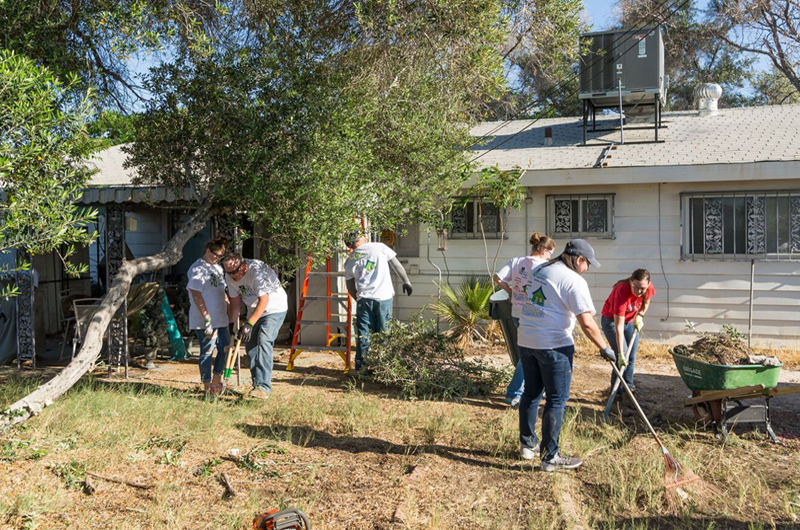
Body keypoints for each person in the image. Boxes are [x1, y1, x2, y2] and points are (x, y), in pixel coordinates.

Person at [517, 239, 616, 471]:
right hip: (554, 345)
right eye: (588, 263)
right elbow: (587, 323)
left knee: (531, 393)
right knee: (556, 400)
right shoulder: (573, 280)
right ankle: (550, 457)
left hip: (527, 339)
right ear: (579, 259)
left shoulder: (541, 269)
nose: (588, 269)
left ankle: (527, 445)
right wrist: (605, 348)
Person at [492, 232, 556, 407]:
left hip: (517, 312)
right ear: (543, 249)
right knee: (530, 355)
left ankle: (527, 391)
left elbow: (497, 277)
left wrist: (511, 291)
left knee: (527, 354)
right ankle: (515, 393)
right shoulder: (545, 266)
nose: (551, 256)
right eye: (550, 252)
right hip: (536, 315)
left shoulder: (516, 261)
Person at [344, 232, 412, 372]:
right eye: (363, 235)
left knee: (364, 335)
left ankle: (362, 369)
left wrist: (359, 299)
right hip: (383, 298)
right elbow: (396, 265)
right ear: (359, 239)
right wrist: (406, 281)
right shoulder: (379, 247)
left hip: (364, 299)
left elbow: (350, 285)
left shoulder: (350, 259)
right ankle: (384, 368)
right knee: (384, 333)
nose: (365, 236)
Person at [222, 252, 288, 400]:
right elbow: (235, 302)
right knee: (251, 344)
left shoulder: (256, 271)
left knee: (264, 340)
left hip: (274, 308)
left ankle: (264, 387)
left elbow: (264, 300)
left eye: (234, 272)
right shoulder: (229, 276)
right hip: (255, 310)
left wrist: (249, 323)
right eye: (228, 272)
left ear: (243, 266)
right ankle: (256, 385)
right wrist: (233, 325)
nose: (231, 276)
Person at [187, 237, 230, 394]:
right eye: (215, 255)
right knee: (207, 351)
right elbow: (196, 294)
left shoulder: (218, 268)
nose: (217, 259)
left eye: (220, 257)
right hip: (206, 320)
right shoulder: (197, 268)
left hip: (221, 317)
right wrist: (207, 317)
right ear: (207, 250)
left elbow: (222, 291)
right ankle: (206, 386)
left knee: (225, 348)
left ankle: (216, 381)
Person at [600, 269, 654, 394]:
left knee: (631, 357)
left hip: (630, 321)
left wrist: (640, 315)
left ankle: (628, 389)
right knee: (622, 357)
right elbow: (618, 327)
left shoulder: (648, 287)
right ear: (630, 282)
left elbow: (647, 301)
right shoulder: (621, 291)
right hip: (611, 322)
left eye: (643, 288)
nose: (639, 291)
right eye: (636, 287)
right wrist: (620, 353)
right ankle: (616, 393)